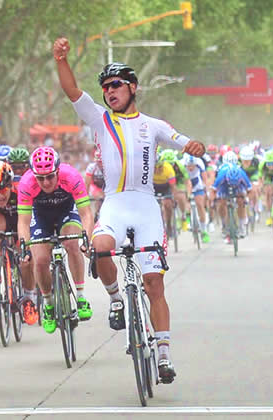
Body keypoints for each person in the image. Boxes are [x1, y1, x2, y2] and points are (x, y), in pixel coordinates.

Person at [53, 37, 205, 384]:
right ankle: (116, 299)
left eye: (115, 85)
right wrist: (62, 60)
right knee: (101, 248)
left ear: (132, 88)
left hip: (146, 206)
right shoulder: (100, 120)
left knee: (154, 283)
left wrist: (195, 146)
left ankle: (163, 353)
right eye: (105, 87)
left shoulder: (153, 125)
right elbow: (72, 90)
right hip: (116, 203)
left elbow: (185, 141)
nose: (109, 91)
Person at [17, 146, 95, 333]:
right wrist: (24, 247)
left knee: (71, 243)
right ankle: (48, 303)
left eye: (50, 176)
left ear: (58, 171)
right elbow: (23, 222)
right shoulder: (26, 183)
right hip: (40, 216)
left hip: (66, 211)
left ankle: (81, 296)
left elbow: (86, 214)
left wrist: (87, 238)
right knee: (40, 258)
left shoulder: (72, 176)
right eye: (40, 178)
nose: (45, 182)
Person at [0, 161, 38, 325]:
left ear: (10, 185)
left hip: (20, 216)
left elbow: (30, 219)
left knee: (25, 258)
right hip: (0, 216)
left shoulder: (22, 187)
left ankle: (29, 297)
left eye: (3, 190)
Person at [211, 163, 252, 239]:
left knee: (241, 201)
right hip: (224, 186)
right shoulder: (221, 176)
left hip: (239, 186)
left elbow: (249, 189)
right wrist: (214, 201)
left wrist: (246, 199)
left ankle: (241, 226)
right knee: (222, 202)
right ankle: (224, 225)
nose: (233, 185)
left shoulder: (242, 174)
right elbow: (213, 190)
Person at [183, 154, 210, 243]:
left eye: (193, 166)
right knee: (185, 200)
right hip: (186, 183)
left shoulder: (199, 162)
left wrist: (207, 190)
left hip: (197, 183)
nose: (190, 168)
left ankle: (204, 230)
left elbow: (205, 178)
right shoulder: (182, 164)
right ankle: (187, 217)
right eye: (189, 166)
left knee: (200, 205)